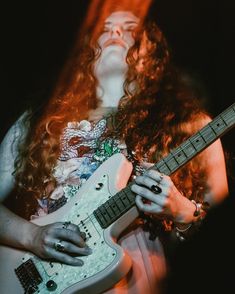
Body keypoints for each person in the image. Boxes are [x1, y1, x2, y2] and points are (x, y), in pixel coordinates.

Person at [0, 4, 229, 294]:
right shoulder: (38, 121)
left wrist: (182, 211)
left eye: (130, 29)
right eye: (104, 30)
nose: (115, 32)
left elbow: (222, 234)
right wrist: (32, 236)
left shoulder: (191, 125)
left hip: (137, 277)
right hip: (38, 272)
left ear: (152, 52)